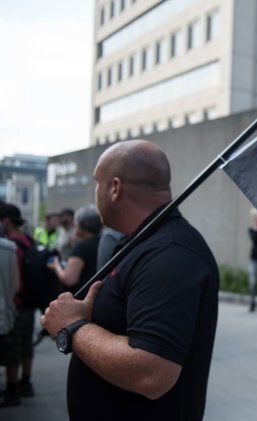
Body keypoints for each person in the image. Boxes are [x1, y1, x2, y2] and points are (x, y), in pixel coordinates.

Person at [40, 139, 219, 420]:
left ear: (114, 187)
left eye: (97, 183)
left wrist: (72, 327)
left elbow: (151, 372)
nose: (95, 192)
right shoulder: (143, 243)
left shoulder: (169, 254)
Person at [0, 203, 37, 406]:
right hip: (30, 301)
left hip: (16, 302)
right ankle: (26, 382)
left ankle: (12, 391)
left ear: (6, 220)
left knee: (13, 347)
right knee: (26, 345)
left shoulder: (10, 244)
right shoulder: (28, 239)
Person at [48, 206, 102, 294]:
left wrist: (57, 266)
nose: (74, 225)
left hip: (82, 297)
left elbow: (69, 279)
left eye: (76, 222)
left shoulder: (82, 247)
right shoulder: (103, 242)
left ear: (82, 225)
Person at [0, 223, 19, 407]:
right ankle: (12, 391)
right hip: (6, 314)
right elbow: (16, 286)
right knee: (10, 354)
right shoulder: (10, 248)